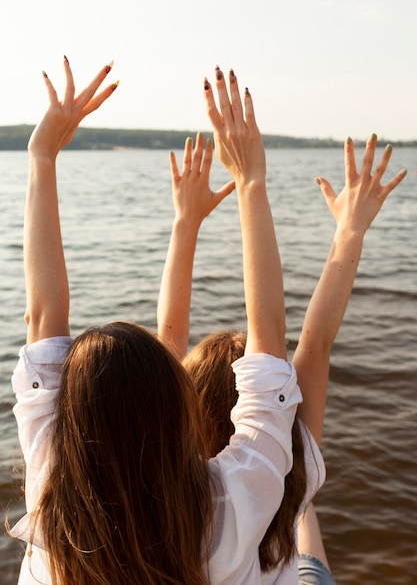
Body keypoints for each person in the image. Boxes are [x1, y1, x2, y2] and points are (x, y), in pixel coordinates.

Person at [10, 59, 302, 585]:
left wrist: (40, 155)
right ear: (180, 407)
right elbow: (270, 347)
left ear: (72, 424)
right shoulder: (230, 510)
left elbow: (42, 313)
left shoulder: (53, 509)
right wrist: (251, 182)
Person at [157, 69, 407, 584]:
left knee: (294, 485)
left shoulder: (173, 508)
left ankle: (297, 488)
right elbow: (312, 345)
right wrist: (350, 229)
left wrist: (187, 222)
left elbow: (167, 343)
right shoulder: (249, 478)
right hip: (285, 560)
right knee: (295, 496)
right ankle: (297, 490)